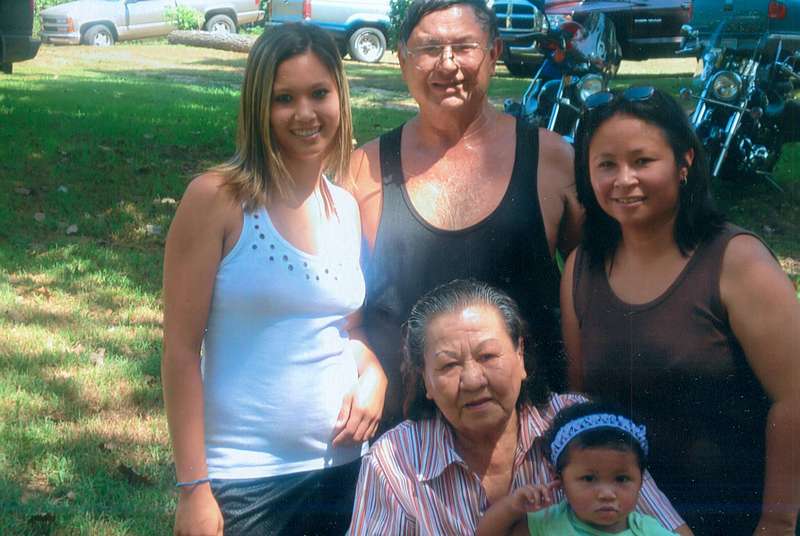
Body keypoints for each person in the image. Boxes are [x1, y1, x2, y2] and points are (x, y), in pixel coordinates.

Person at [161, 23, 386, 536]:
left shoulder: (345, 207)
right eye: (284, 98)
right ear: (258, 107)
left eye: (319, 93)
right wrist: (194, 488)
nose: (305, 113)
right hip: (244, 480)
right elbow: (179, 352)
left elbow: (347, 330)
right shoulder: (217, 200)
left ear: (340, 96)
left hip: (345, 471)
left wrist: (375, 375)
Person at [561, 86, 800, 535]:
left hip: (733, 520)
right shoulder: (581, 268)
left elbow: (794, 399)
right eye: (606, 164)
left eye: (642, 161)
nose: (624, 179)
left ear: (684, 162)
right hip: (621, 521)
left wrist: (778, 521)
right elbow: (580, 402)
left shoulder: (737, 262)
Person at [348, 0, 583, 429]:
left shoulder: (551, 160)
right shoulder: (362, 171)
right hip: (406, 442)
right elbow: (336, 311)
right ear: (402, 59)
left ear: (493, 53)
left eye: (464, 46)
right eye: (429, 48)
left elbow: (599, 285)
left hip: (534, 435)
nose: (447, 63)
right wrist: (366, 368)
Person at [348, 279, 692, 535]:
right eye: (449, 365)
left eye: (487, 356)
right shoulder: (394, 462)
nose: (473, 380)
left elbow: (668, 527)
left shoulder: (582, 426)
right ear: (425, 380)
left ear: (520, 355)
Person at [477, 401, 678, 536]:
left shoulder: (649, 531)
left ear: (641, 480)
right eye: (589, 479)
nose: (607, 494)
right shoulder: (548, 523)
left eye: (621, 479)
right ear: (559, 479)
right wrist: (512, 507)